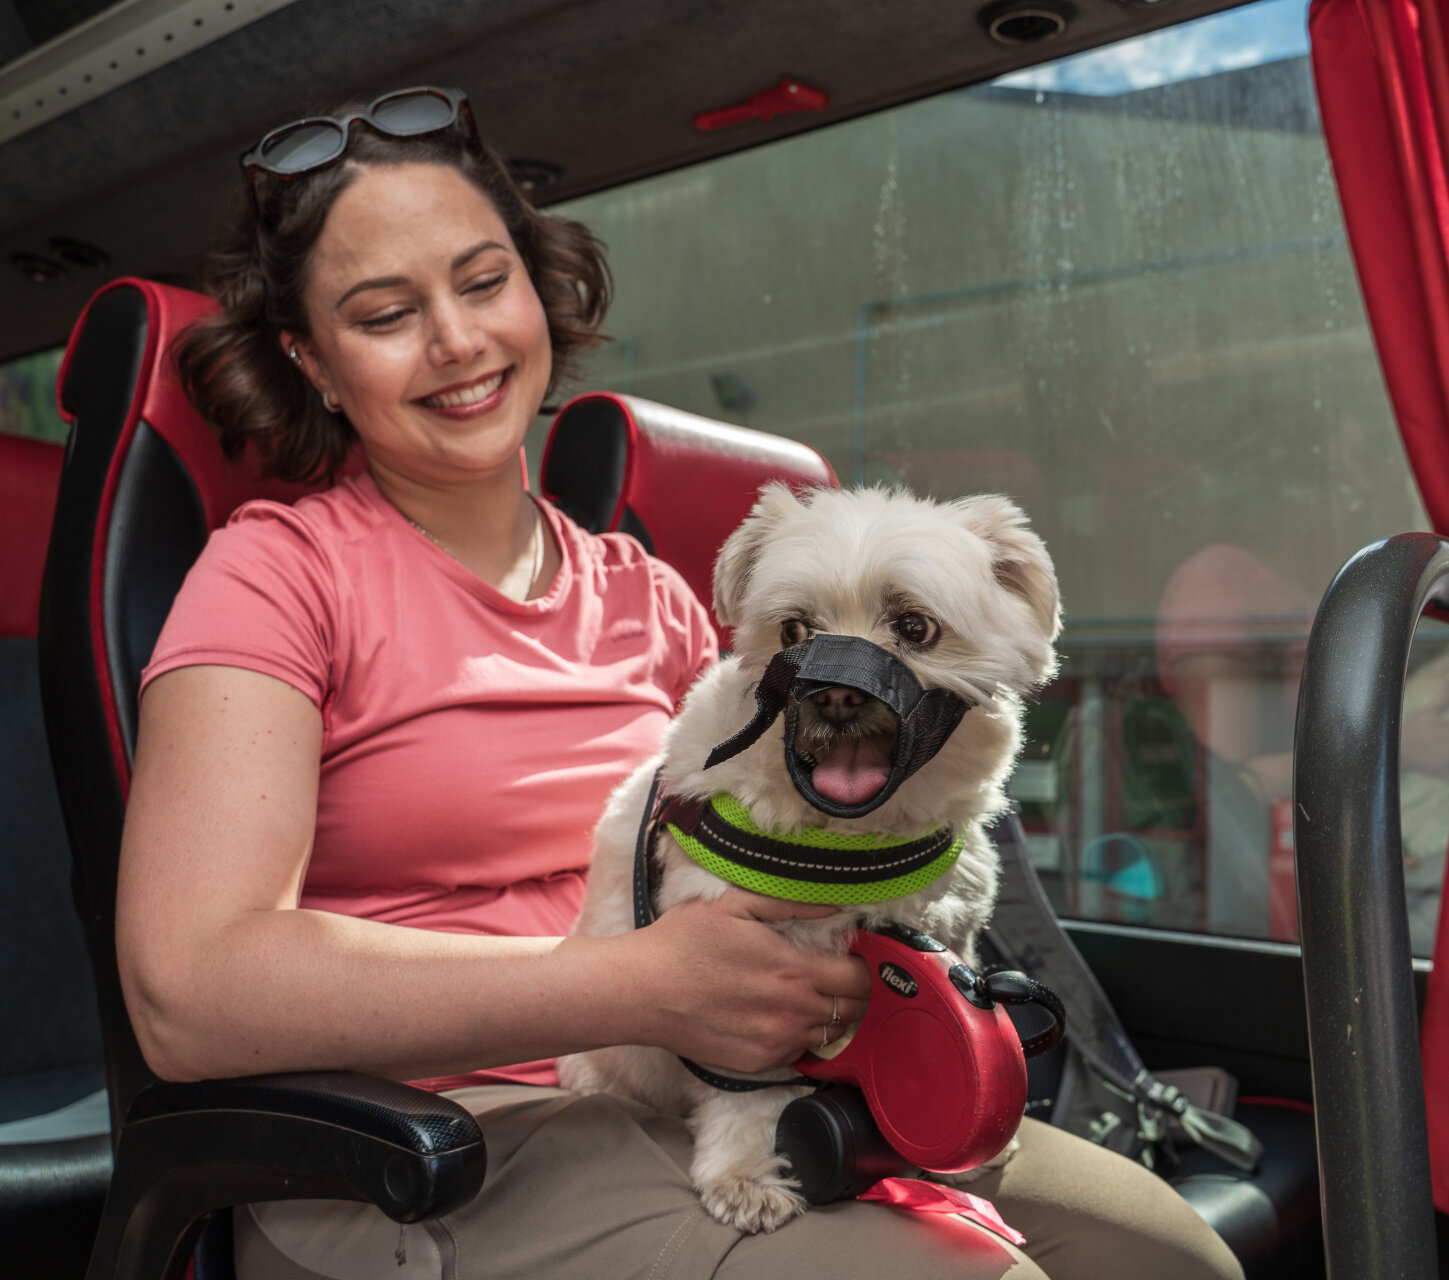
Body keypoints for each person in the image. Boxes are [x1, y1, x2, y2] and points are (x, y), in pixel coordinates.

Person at [122, 84, 1242, 1280]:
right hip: (415, 1141)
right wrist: (638, 985)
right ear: (315, 361)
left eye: (484, 280)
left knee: (1180, 1259)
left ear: (536, 290)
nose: (457, 338)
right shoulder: (274, 574)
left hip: (712, 1085)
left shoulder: (646, 593)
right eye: (386, 312)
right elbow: (189, 992)